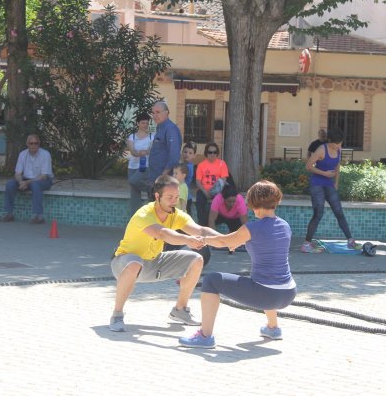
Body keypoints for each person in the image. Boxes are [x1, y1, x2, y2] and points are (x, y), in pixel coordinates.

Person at [178, 180, 296, 348]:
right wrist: (234, 242)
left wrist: (201, 240)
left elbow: (221, 241)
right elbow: (265, 242)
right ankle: (273, 328)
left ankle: (205, 336)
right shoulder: (284, 225)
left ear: (253, 202)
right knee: (266, 278)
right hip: (288, 293)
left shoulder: (252, 228)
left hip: (266, 295)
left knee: (211, 280)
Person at [109, 175, 223, 333]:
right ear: (157, 196)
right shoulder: (144, 214)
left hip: (154, 262)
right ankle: (117, 315)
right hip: (123, 263)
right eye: (169, 197)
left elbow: (201, 230)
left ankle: (180, 310)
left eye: (176, 197)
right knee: (135, 263)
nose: (174, 201)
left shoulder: (176, 214)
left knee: (196, 259)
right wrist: (188, 240)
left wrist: (226, 240)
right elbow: (162, 233)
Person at [300, 128, 357, 252]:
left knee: (339, 212)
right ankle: (306, 244)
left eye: (340, 143)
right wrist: (324, 173)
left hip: (329, 184)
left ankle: (350, 240)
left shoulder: (338, 149)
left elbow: (337, 166)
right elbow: (308, 166)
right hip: (317, 184)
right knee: (318, 214)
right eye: (336, 143)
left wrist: (336, 183)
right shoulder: (321, 150)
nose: (338, 145)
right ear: (330, 141)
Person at [2, 134, 53, 224]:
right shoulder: (22, 154)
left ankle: (39, 216)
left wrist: (27, 183)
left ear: (39, 144)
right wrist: (21, 181)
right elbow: (17, 173)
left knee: (35, 185)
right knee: (10, 184)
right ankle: (9, 214)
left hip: (43, 180)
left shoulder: (45, 154)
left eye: (36, 143)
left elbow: (44, 175)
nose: (33, 145)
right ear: (27, 144)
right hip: (26, 180)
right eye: (31, 143)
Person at [148, 101, 182, 186]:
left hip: (164, 179)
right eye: (153, 113)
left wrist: (163, 176)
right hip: (155, 175)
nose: (155, 115)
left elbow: (174, 155)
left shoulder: (170, 129)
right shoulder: (160, 127)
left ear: (166, 113)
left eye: (158, 112)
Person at [195, 142, 229, 226]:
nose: (212, 154)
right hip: (204, 190)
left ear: (217, 153)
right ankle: (202, 225)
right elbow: (198, 182)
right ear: (206, 153)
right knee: (199, 200)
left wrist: (215, 192)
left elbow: (223, 180)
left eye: (215, 152)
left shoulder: (222, 164)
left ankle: (216, 223)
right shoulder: (201, 165)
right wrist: (205, 192)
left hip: (218, 190)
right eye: (210, 152)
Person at [127, 112, 153, 214]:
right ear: (138, 123)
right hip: (132, 167)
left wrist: (146, 152)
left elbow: (152, 150)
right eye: (143, 123)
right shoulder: (132, 137)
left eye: (147, 123)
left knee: (132, 182)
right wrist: (139, 153)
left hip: (145, 167)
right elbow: (132, 151)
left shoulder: (152, 136)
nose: (145, 125)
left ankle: (151, 189)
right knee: (134, 196)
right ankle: (135, 221)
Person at [181, 141, 197, 215]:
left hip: (185, 197)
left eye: (190, 153)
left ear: (194, 155)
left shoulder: (188, 167)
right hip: (183, 196)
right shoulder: (183, 165)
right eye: (185, 152)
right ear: (182, 152)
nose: (187, 154)